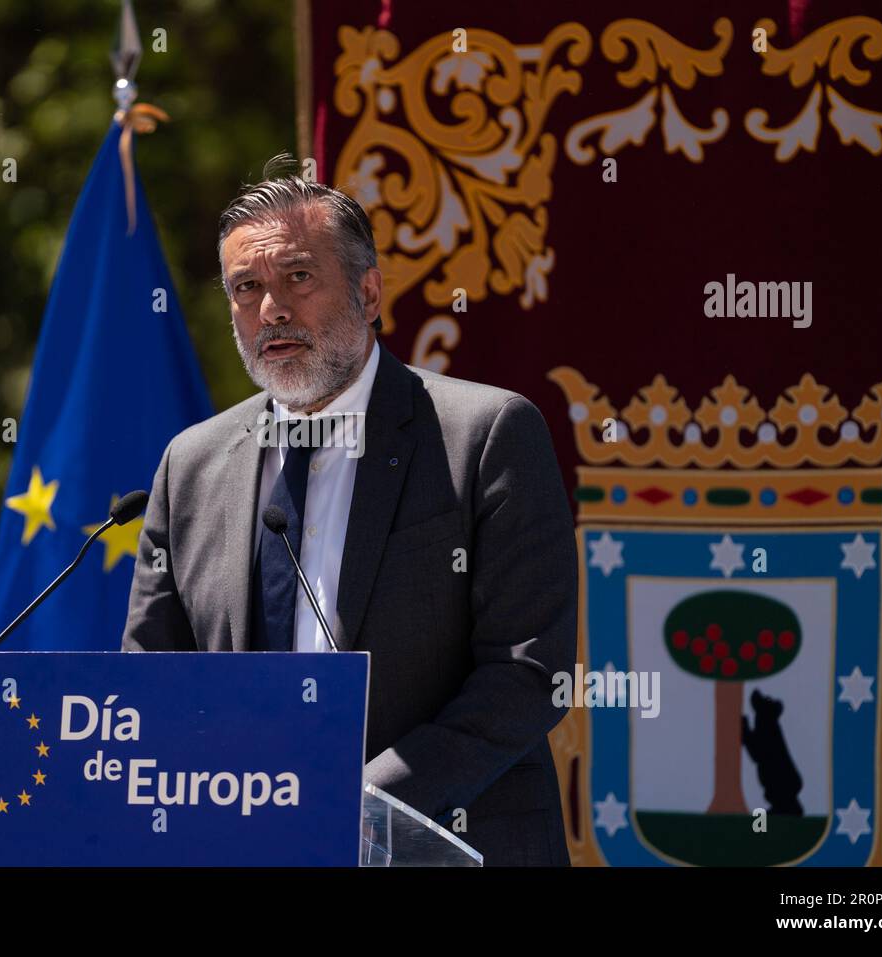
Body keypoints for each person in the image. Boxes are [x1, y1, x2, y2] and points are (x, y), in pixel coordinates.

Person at [121, 156, 577, 865]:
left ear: (368, 293)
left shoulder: (485, 434)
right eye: (246, 288)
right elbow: (153, 679)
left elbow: (529, 671)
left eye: (297, 277)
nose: (271, 308)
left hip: (446, 841)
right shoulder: (192, 465)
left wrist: (359, 803)